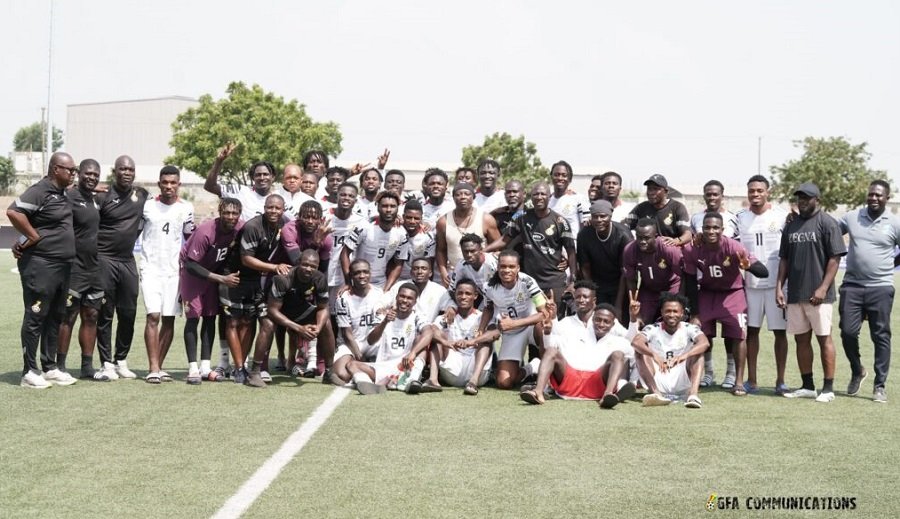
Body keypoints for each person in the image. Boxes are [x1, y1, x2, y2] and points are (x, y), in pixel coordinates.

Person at [7, 151, 78, 388]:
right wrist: (31, 235)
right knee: (36, 315)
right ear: (56, 169)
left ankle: (49, 368)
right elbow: (14, 211)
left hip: (62, 266)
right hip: (41, 264)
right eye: (70, 170)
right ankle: (29, 371)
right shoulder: (40, 190)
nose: (73, 174)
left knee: (55, 317)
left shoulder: (62, 194)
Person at [682, 212, 769, 397]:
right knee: (697, 332)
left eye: (715, 228)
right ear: (701, 229)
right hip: (707, 292)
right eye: (707, 227)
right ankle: (705, 374)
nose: (711, 231)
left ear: (722, 230)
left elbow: (764, 272)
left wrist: (748, 266)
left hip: (732, 294)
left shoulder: (733, 247)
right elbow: (689, 281)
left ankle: (737, 380)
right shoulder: (692, 249)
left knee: (739, 335)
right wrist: (695, 312)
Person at [776, 182, 846, 403]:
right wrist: (779, 286)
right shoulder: (791, 225)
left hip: (819, 295)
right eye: (800, 198)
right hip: (796, 293)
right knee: (801, 340)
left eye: (807, 198)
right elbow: (784, 259)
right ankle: (807, 385)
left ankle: (828, 388)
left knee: (824, 338)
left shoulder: (828, 223)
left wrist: (823, 288)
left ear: (818, 200)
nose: (802, 202)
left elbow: (835, 258)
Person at [838, 180, 900, 403]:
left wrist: (889, 265)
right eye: (871, 194)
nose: (874, 198)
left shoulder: (894, 222)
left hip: (880, 288)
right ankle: (857, 370)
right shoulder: (852, 217)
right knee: (847, 332)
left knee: (880, 335)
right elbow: (830, 231)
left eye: (879, 195)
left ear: (887, 197)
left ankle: (879, 385)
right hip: (852, 286)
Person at [220, 194, 291, 383]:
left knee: (249, 321)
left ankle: (244, 365)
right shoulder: (253, 226)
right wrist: (274, 267)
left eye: (277, 208)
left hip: (255, 278)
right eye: (270, 207)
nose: (273, 211)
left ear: (283, 209)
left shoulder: (285, 223)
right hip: (234, 275)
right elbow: (246, 259)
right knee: (233, 323)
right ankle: (238, 368)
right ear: (264, 208)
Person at [246, 249, 335, 387]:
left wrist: (317, 328)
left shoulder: (320, 278)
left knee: (326, 322)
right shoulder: (283, 278)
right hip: (271, 306)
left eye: (313, 266)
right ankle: (255, 372)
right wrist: (299, 328)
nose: (309, 269)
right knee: (268, 325)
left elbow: (323, 308)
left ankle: (329, 372)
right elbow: (273, 310)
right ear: (298, 263)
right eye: (305, 264)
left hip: (295, 306)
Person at [96, 154, 150, 380]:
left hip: (127, 260)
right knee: (105, 313)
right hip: (104, 260)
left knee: (128, 313)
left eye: (130, 169)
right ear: (114, 171)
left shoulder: (142, 195)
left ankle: (121, 360)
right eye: (122, 169)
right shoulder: (102, 196)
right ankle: (106, 363)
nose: (127, 172)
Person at [520, 303, 636, 408]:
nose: (601, 324)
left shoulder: (619, 341)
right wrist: (547, 332)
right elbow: (549, 345)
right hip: (571, 378)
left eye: (606, 321)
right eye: (598, 320)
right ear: (593, 319)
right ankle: (538, 392)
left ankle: (608, 395)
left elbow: (635, 350)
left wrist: (633, 320)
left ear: (613, 324)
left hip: (597, 383)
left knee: (618, 354)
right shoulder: (576, 332)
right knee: (551, 351)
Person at [736, 175, 790, 395]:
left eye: (759, 190)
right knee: (752, 332)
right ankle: (752, 380)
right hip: (751, 286)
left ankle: (780, 381)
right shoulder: (740, 218)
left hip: (777, 285)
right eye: (751, 191)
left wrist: (783, 284)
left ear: (768, 191)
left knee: (780, 333)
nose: (755, 194)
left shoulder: (783, 216)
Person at [141, 166, 195, 383]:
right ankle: (153, 367)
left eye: (173, 183)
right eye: (165, 182)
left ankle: (159, 366)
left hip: (174, 272)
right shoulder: (147, 207)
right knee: (153, 316)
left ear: (179, 184)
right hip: (150, 268)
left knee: (169, 319)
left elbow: (190, 239)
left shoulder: (186, 208)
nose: (169, 186)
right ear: (159, 184)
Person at [179, 198, 242, 383]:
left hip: (212, 275)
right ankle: (193, 368)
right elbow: (191, 264)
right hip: (193, 275)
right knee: (193, 318)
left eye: (234, 213)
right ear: (220, 211)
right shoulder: (206, 231)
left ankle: (205, 367)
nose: (231, 216)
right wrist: (221, 278)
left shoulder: (240, 228)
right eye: (227, 212)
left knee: (210, 318)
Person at [485, 182, 576, 309]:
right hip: (529, 282)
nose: (539, 197)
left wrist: (572, 280)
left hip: (554, 282)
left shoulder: (560, 221)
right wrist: (482, 251)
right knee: (532, 322)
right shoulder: (521, 216)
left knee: (554, 321)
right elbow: (504, 240)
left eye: (543, 194)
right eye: (536, 194)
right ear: (531, 197)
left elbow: (571, 251)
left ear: (550, 197)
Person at [57, 159, 106, 380]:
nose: (92, 177)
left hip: (94, 268)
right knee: (68, 316)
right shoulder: (69, 197)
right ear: (79, 174)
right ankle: (59, 365)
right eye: (88, 173)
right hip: (74, 268)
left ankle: (87, 366)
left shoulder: (95, 199)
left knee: (92, 315)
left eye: (96, 174)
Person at [345, 283, 433, 395]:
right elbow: (370, 340)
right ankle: (367, 384)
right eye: (402, 296)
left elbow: (429, 333)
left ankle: (411, 380)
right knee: (351, 365)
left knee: (422, 342)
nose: (405, 300)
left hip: (405, 366)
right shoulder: (383, 316)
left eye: (409, 298)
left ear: (415, 302)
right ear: (396, 297)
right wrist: (385, 322)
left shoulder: (417, 317)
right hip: (383, 367)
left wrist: (412, 353)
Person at [479, 251, 549, 389]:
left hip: (532, 325)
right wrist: (480, 329)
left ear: (518, 268)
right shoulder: (489, 287)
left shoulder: (527, 281)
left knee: (544, 328)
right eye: (503, 266)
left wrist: (513, 323)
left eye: (511, 267)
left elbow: (543, 314)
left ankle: (546, 381)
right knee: (504, 382)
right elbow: (488, 308)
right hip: (513, 332)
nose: (507, 270)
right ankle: (533, 366)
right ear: (497, 267)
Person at [414, 279, 496, 395]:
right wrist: (446, 342)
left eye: (468, 294)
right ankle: (433, 380)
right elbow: (432, 331)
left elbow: (495, 333)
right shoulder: (447, 316)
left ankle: (473, 383)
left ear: (475, 296)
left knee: (486, 340)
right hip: (451, 368)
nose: (463, 297)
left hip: (476, 368)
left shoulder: (482, 317)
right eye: (460, 293)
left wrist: (472, 341)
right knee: (436, 338)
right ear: (455, 295)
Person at [632, 293, 709, 408]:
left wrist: (683, 356)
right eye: (668, 311)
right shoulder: (653, 328)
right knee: (640, 352)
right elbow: (636, 342)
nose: (671, 315)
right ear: (662, 312)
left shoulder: (689, 328)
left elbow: (705, 343)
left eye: (675, 311)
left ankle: (693, 395)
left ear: (682, 313)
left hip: (682, 377)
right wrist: (654, 354)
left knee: (698, 353)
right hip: (658, 376)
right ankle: (656, 394)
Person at [340, 190, 409, 291]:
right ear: (378, 207)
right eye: (384, 206)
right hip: (358, 280)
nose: (389, 210)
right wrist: (348, 282)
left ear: (398, 208)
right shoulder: (364, 227)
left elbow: (398, 264)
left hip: (380, 283)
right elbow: (344, 254)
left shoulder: (402, 233)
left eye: (393, 206)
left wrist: (386, 289)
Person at [435, 182, 501, 286]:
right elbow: (441, 250)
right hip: (455, 273)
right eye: (458, 194)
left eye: (467, 194)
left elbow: (498, 247)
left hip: (483, 273)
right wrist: (443, 272)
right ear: (453, 198)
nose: (462, 197)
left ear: (473, 197)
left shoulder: (486, 219)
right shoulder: (443, 221)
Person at [331, 259, 385, 384]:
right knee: (341, 374)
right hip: (351, 343)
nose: (362, 276)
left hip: (373, 342)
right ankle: (360, 370)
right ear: (351, 276)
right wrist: (359, 356)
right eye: (357, 273)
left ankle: (358, 371)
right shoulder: (343, 299)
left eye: (365, 272)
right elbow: (347, 334)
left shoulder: (379, 293)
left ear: (370, 273)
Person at [622, 218, 683, 325]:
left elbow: (684, 275)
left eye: (646, 238)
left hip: (671, 287)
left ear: (655, 236)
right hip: (648, 289)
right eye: (639, 238)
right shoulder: (630, 250)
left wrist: (681, 300)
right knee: (641, 322)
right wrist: (633, 301)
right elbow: (630, 279)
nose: (642, 242)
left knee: (669, 321)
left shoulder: (668, 248)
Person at [576, 200, 633, 310]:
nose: (599, 220)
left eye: (603, 216)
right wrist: (592, 295)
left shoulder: (623, 235)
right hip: (597, 284)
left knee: (618, 320)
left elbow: (625, 272)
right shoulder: (584, 235)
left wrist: (618, 305)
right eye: (595, 217)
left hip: (620, 284)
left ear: (610, 216)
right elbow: (585, 267)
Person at [203, 143, 276, 222]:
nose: (262, 178)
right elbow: (210, 186)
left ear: (273, 177)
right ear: (252, 178)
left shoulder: (279, 198)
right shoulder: (240, 191)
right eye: (258, 175)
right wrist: (219, 161)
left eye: (265, 174)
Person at [624, 174, 692, 246]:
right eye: (649, 189)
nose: (651, 193)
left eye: (656, 189)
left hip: (669, 250)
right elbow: (625, 226)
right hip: (646, 251)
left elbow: (688, 234)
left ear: (666, 192)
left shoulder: (677, 207)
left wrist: (677, 241)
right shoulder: (641, 208)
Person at [384, 257, 451, 323]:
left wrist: (451, 309)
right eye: (416, 269)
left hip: (427, 329)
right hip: (401, 328)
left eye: (424, 269)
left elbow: (451, 305)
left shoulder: (439, 290)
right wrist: (381, 309)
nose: (419, 272)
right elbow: (383, 301)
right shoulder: (400, 286)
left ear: (430, 273)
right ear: (411, 272)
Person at [548, 160, 589, 238]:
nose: (560, 178)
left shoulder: (579, 199)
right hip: (551, 248)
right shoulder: (547, 200)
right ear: (551, 177)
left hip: (572, 248)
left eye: (564, 175)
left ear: (570, 179)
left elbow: (586, 227)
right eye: (556, 175)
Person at [449, 233, 498, 299]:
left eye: (472, 251)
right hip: (484, 300)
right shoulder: (461, 266)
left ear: (480, 249)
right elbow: (452, 290)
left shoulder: (493, 262)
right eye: (465, 251)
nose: (469, 255)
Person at [398, 200, 436, 280]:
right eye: (408, 217)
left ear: (421, 219)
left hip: (417, 280)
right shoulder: (396, 231)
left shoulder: (427, 237)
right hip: (396, 279)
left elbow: (429, 264)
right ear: (403, 216)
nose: (412, 221)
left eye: (416, 218)